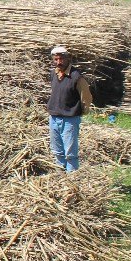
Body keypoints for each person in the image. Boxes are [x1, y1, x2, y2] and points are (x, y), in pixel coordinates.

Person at [47, 45, 92, 173]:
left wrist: (79, 112)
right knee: (57, 151)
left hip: (70, 119)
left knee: (70, 153)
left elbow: (86, 97)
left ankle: (72, 179)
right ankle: (60, 176)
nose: (58, 62)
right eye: (56, 59)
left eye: (61, 59)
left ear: (67, 59)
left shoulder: (76, 77)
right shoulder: (53, 73)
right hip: (54, 117)